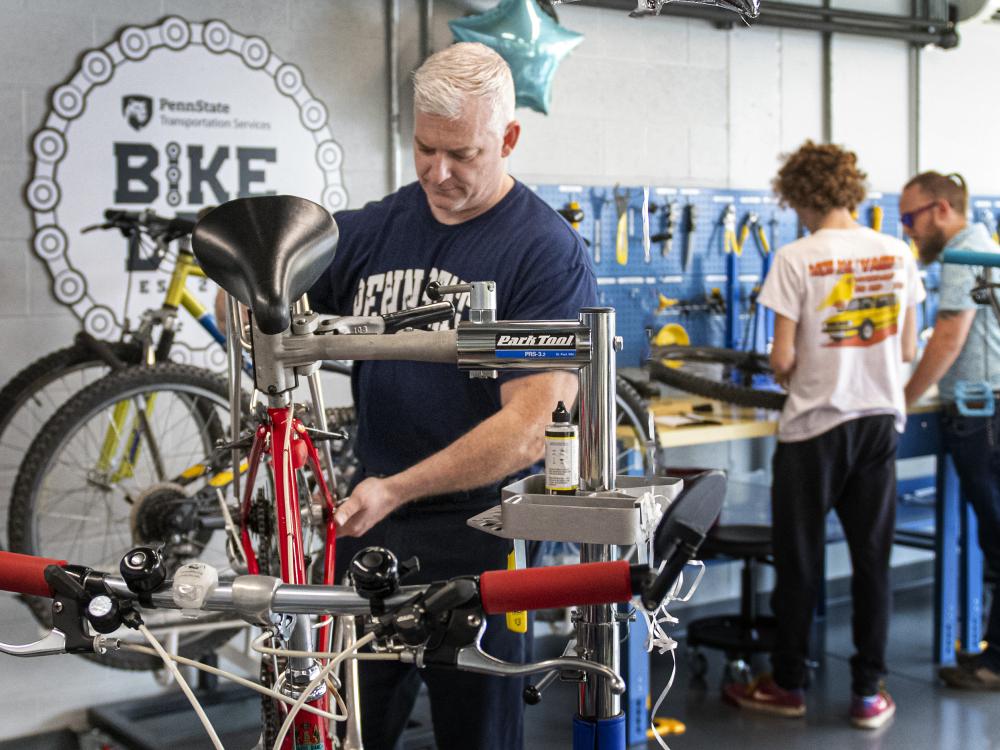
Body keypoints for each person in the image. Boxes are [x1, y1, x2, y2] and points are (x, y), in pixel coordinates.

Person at [307, 43, 596, 749]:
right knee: (350, 724)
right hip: (372, 524)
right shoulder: (382, 225)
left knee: (477, 735)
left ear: (509, 139)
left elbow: (531, 428)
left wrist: (400, 488)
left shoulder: (542, 250)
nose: (439, 172)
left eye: (463, 154)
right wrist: (249, 280)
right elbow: (279, 286)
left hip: (483, 537)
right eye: (425, 148)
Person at [724, 141, 924, 729]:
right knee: (871, 560)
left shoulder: (796, 257)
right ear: (851, 189)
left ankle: (788, 684)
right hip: (878, 425)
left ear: (798, 196)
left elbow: (782, 357)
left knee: (800, 561)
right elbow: (909, 348)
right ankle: (868, 693)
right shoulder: (897, 253)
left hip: (814, 429)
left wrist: (789, 361)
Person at [901, 171, 1000, 691]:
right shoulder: (983, 244)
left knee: (998, 534)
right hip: (981, 409)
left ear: (941, 210)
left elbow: (948, 337)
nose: (908, 231)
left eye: (910, 218)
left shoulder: (966, 253)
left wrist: (903, 400)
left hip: (982, 414)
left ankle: (996, 661)